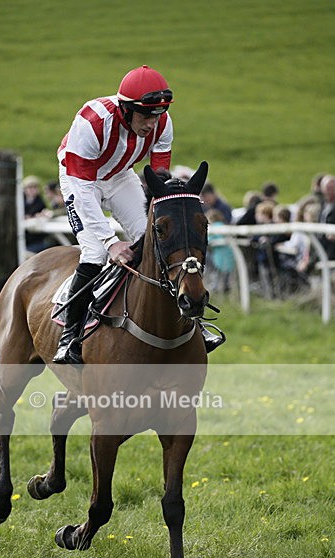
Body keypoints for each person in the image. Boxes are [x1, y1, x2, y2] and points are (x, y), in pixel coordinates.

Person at [53, 65, 220, 364]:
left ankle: (192, 322)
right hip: (80, 180)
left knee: (152, 243)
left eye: (157, 115)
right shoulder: (92, 123)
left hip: (119, 177)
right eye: (145, 116)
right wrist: (111, 242)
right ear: (125, 110)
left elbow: (158, 178)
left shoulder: (162, 123)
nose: (151, 124)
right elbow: (82, 189)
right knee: (94, 254)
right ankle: (69, 336)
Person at [22, 175, 53, 254]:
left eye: (35, 187)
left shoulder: (40, 202)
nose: (32, 190)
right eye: (30, 188)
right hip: (24, 237)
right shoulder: (20, 201)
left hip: (36, 237)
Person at [318, 175, 335, 259]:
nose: (328, 191)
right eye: (326, 188)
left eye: (331, 188)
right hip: (322, 247)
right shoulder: (323, 204)